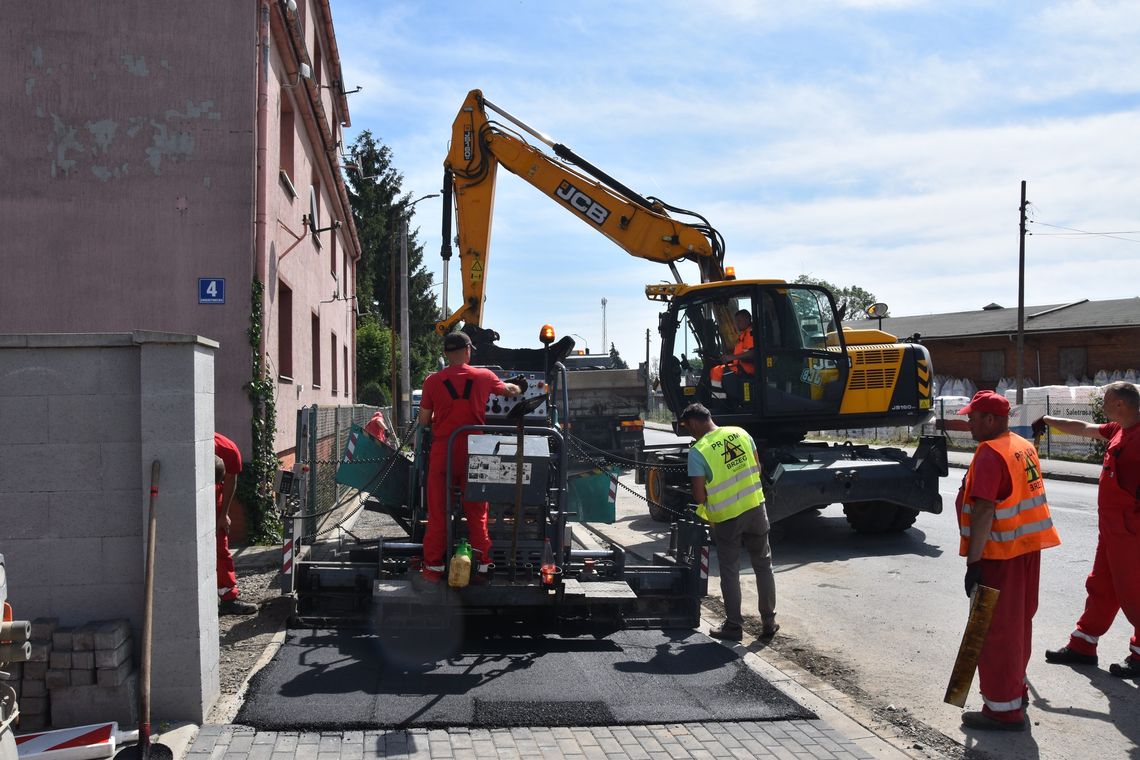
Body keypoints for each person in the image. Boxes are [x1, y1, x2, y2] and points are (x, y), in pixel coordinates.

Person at [954, 390, 1060, 731]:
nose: (967, 421)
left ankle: (1002, 710)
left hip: (999, 555)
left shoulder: (989, 453)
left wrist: (974, 563)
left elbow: (985, 509)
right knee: (1018, 625)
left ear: (990, 419)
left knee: (996, 631)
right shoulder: (1019, 444)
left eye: (972, 416)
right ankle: (1015, 691)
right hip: (1026, 549)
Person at [1039, 380, 1140, 679]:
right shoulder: (1117, 429)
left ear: (1120, 404)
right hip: (1112, 530)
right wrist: (1046, 420)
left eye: (1106, 401)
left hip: (1133, 531)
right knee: (1101, 587)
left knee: (1135, 593)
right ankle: (1083, 644)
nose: (1103, 405)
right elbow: (1081, 428)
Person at [415, 331, 521, 590]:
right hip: (475, 451)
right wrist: (517, 385)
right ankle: (482, 566)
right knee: (477, 511)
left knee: (438, 512)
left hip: (444, 451)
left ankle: (433, 569)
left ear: (446, 354)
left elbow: (424, 421)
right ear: (468, 351)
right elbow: (511, 391)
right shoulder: (484, 376)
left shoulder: (432, 381)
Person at [680, 402, 777, 641]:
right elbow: (757, 467)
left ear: (693, 423)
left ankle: (734, 626)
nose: (689, 433)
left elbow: (700, 496)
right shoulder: (741, 433)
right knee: (764, 565)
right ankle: (769, 622)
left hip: (727, 519)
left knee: (730, 570)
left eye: (688, 428)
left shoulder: (698, 451)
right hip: (756, 508)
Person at [214, 433, 257, 615]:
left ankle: (228, 598)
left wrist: (223, 515)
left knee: (220, 547)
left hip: (216, 500)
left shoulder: (228, 449)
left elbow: (231, 480)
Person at [709, 309, 756, 399]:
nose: (737, 323)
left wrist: (732, 357)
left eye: (739, 320)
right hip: (740, 366)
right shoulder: (744, 334)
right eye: (736, 321)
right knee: (716, 368)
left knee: (716, 371)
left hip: (747, 368)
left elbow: (753, 353)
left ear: (747, 319)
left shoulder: (750, 333)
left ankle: (719, 401)